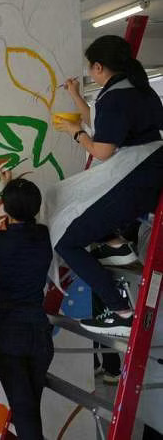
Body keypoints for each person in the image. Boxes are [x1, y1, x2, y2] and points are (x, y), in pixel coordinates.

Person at [49, 35, 163, 335]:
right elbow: (104, 126)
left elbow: (102, 149)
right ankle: (116, 244)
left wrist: (76, 133)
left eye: (91, 69)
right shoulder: (138, 89)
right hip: (147, 174)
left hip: (134, 180)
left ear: (99, 66)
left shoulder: (115, 98)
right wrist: (76, 97)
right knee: (72, 201)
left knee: (66, 238)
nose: (89, 74)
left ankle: (121, 311)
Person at [0, 173, 53, 440]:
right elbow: (22, 220)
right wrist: (10, 191)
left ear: (4, 207)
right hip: (39, 334)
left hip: (6, 332)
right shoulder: (44, 235)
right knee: (28, 409)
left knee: (24, 413)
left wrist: (6, 191)